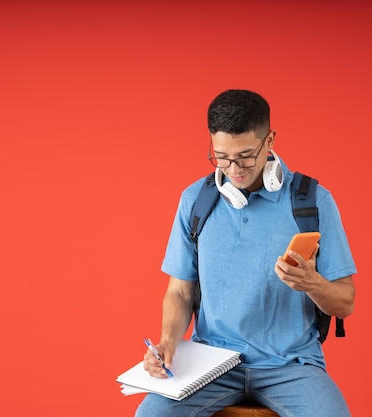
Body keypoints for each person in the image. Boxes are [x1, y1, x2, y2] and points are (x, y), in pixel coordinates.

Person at [135, 89, 357, 417]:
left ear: (270, 141)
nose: (233, 169)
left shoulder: (313, 201)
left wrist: (312, 283)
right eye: (222, 156)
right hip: (211, 364)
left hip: (291, 365)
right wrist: (167, 342)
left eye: (246, 155)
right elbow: (180, 291)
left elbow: (346, 302)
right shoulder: (195, 200)